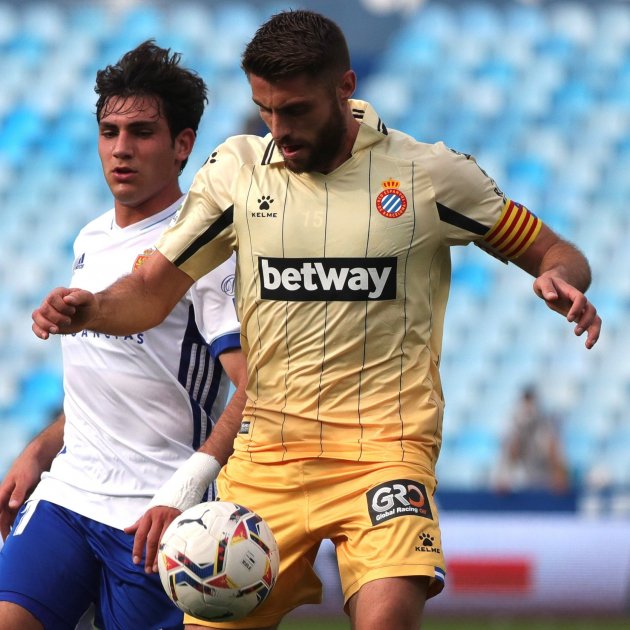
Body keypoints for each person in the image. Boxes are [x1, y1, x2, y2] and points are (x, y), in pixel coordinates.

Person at [31, 10, 602, 630]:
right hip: (266, 460)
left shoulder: (428, 176)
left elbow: (554, 250)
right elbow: (150, 291)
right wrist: (91, 309)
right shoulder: (238, 173)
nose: (279, 130)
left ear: (345, 87)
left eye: (296, 110)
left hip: (385, 454)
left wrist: (560, 276)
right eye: (265, 110)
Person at [0, 41, 247, 630]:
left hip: (152, 515)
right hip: (68, 496)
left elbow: (255, 388)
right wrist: (39, 450)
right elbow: (108, 381)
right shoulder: (90, 238)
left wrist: (187, 489)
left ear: (182, 145)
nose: (121, 149)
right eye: (109, 132)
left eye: (142, 132)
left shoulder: (206, 249)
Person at [494, 385, 570, 493]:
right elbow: (511, 451)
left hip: (544, 478)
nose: (529, 408)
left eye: (531, 403)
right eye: (526, 403)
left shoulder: (545, 422)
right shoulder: (514, 422)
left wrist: (559, 476)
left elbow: (553, 450)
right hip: (521, 480)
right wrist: (504, 477)